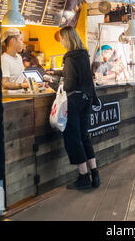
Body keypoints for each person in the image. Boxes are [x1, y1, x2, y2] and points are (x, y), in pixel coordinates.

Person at [49, 25, 101, 190]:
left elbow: (70, 84)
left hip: (74, 102)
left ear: (67, 39)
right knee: (84, 136)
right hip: (86, 99)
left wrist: (51, 83)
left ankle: (83, 177)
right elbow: (78, 75)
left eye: (62, 39)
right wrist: (57, 73)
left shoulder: (70, 57)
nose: (62, 42)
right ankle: (95, 173)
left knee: (73, 138)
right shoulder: (83, 54)